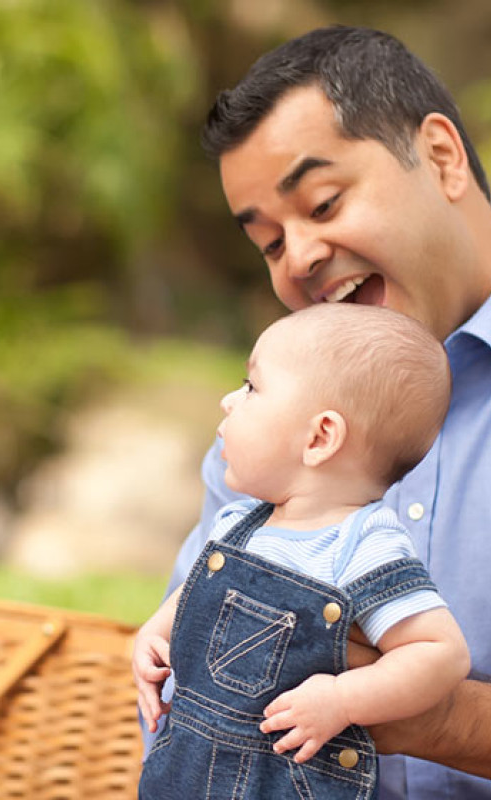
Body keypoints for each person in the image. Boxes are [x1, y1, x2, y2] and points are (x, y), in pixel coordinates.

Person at [142, 24, 491, 799]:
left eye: (323, 201)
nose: (297, 257)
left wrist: (432, 717)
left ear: (441, 156)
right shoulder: (267, 443)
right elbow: (184, 688)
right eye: (267, 244)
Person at [135, 303, 470, 798]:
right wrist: (153, 633)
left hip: (283, 783)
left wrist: (343, 698)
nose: (230, 400)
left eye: (252, 388)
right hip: (186, 771)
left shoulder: (362, 545)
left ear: (320, 437)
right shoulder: (240, 522)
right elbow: (199, 592)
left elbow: (441, 653)